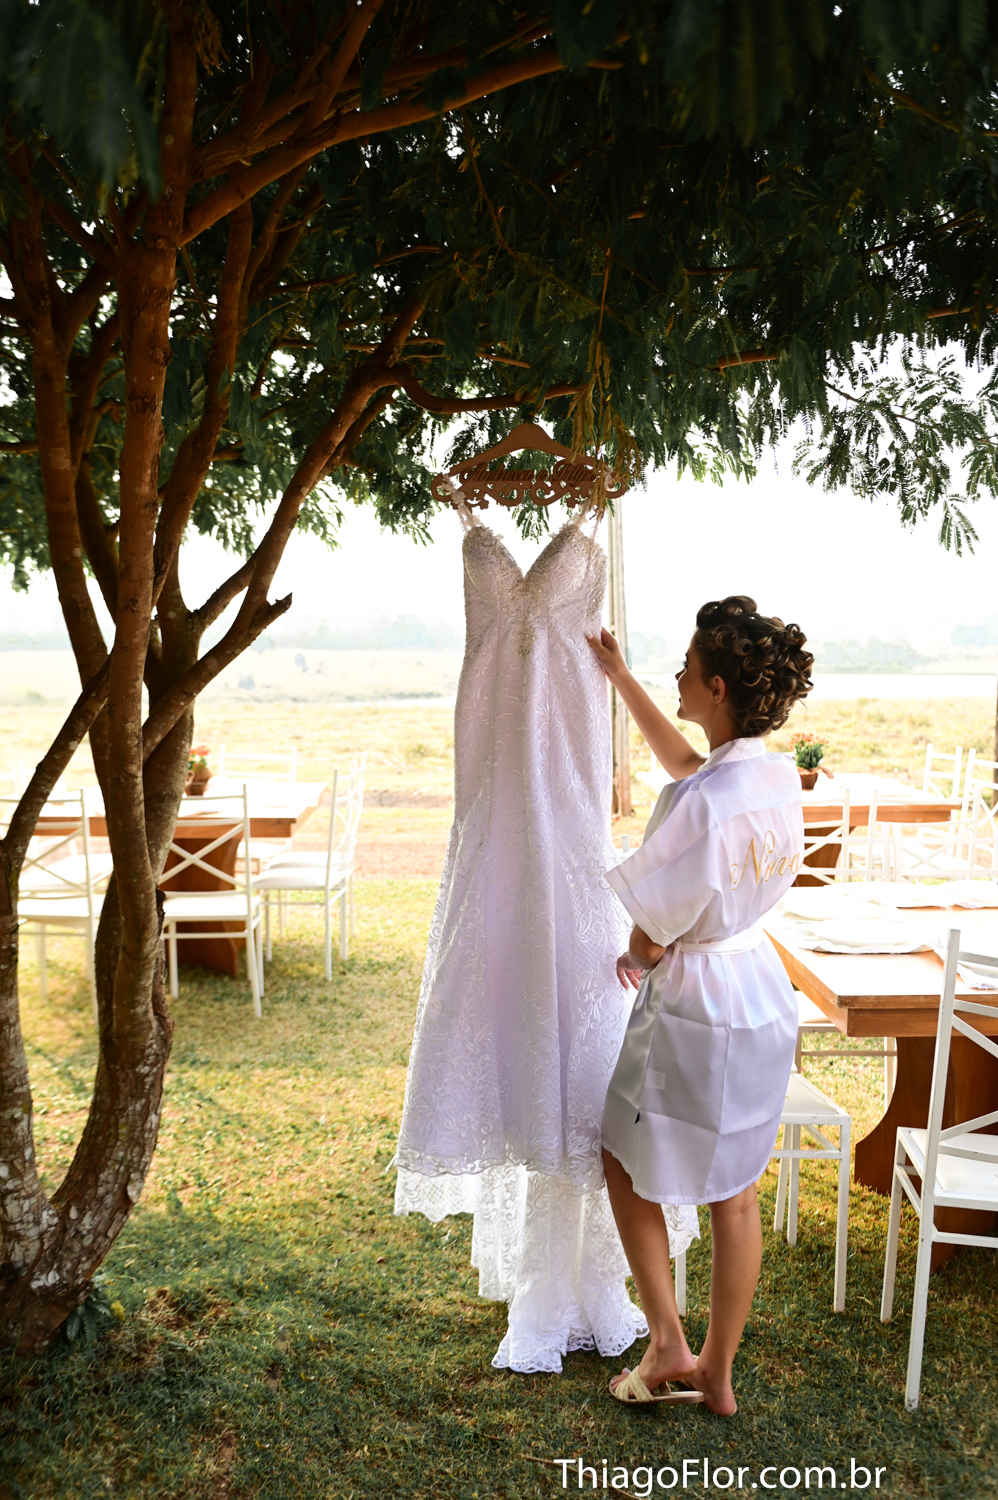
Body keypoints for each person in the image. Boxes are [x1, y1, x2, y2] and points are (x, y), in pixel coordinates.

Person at [394, 509, 698, 1374]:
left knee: (579, 1028)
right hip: (493, 794)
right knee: (513, 991)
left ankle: (590, 1278)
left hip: (568, 790)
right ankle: (549, 1278)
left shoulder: (593, 513)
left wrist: (619, 675)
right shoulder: (473, 523)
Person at [587, 596, 813, 1413]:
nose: (676, 676)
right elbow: (690, 763)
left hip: (696, 1001)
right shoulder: (772, 777)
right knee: (736, 1189)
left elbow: (653, 935)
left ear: (716, 687)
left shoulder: (699, 805)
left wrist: (633, 955)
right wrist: (619, 678)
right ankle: (716, 1370)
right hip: (759, 987)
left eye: (685, 668)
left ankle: (667, 1342)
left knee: (622, 1156)